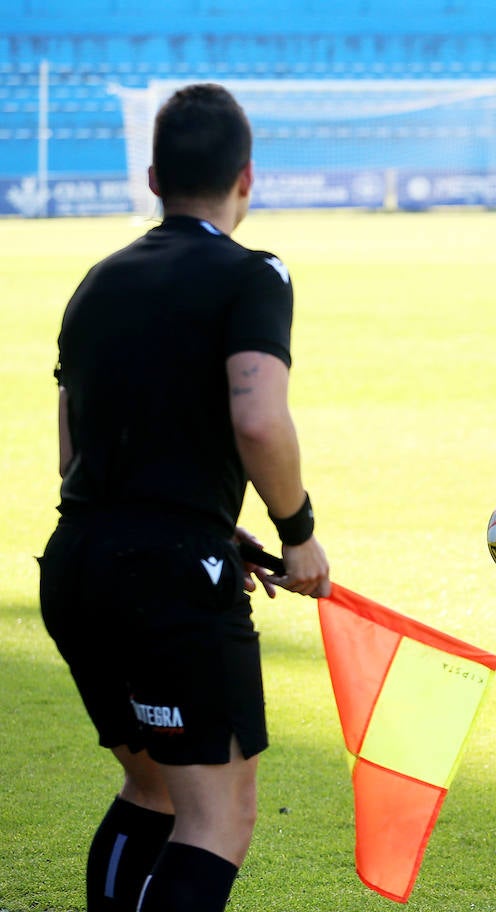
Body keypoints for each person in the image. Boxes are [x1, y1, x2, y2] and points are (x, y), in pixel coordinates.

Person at [38, 83, 330, 912]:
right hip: (166, 579)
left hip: (78, 562)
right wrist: (295, 531)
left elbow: (74, 444)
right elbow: (259, 417)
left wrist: (207, 525)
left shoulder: (97, 281)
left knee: (152, 790)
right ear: (247, 178)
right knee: (217, 818)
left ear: (153, 175)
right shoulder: (253, 274)